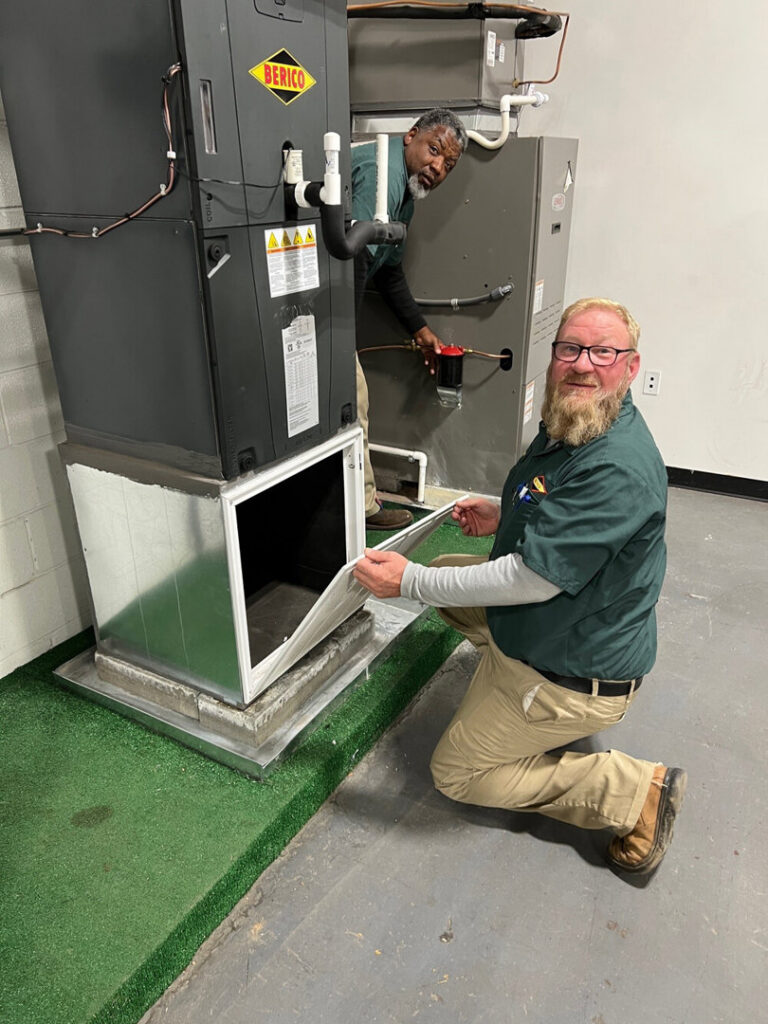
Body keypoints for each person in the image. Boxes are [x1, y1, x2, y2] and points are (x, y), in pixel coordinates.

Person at [353, 297, 687, 875]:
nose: (582, 364)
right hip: (557, 624)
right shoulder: (576, 421)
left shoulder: (616, 465)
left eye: (603, 352)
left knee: (456, 772)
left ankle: (632, 793)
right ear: (554, 356)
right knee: (454, 570)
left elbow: (531, 579)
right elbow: (546, 496)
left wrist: (411, 581)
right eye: (570, 349)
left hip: (575, 672)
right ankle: (509, 688)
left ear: (632, 367)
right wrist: (502, 513)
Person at [352, 109, 468, 530]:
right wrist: (340, 343)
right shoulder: (382, 174)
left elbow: (387, 271)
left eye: (448, 164)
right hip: (310, 305)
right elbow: (356, 258)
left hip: (324, 308)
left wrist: (420, 331)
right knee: (353, 400)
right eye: (433, 150)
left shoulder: (404, 193)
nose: (437, 167)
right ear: (410, 135)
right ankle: (362, 509)